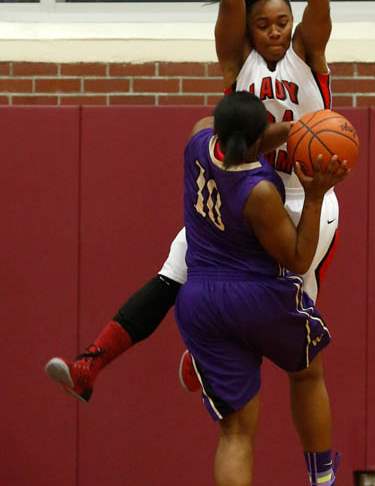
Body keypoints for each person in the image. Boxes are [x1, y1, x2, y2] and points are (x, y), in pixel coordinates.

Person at [45, 0, 337, 405]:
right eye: (263, 24)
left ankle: (208, 358)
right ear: (249, 30)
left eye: (282, 22)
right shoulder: (236, 61)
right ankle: (89, 365)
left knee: (283, 310)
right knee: (172, 271)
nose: (274, 31)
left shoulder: (306, 52)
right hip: (241, 189)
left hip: (304, 197)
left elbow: (319, 10)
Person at [176, 91, 347, 486]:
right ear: (257, 138)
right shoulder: (259, 191)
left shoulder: (197, 142)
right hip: (253, 296)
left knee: (235, 432)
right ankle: (322, 479)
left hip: (200, 302)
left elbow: (216, 126)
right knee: (307, 372)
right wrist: (317, 195)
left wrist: (291, 130)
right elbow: (299, 257)